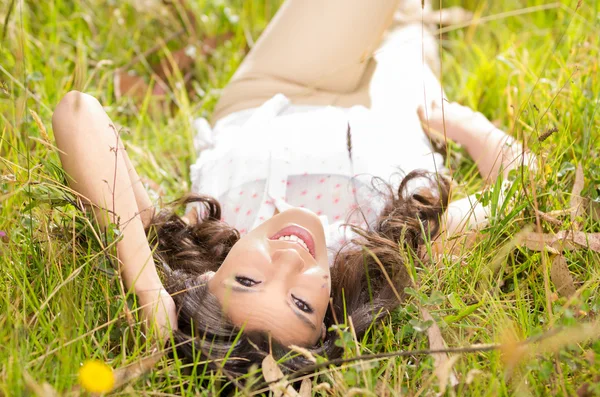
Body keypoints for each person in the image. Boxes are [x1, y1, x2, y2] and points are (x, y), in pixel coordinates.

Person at [52, 0, 533, 377]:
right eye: (300, 303)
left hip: (280, 87)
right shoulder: (383, 254)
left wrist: (147, 289)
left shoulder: (202, 242)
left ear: (204, 281)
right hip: (395, 107)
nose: (289, 259)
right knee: (411, 39)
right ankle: (414, 22)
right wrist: (467, 126)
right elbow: (525, 183)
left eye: (247, 280)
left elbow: (78, 114)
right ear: (326, 321)